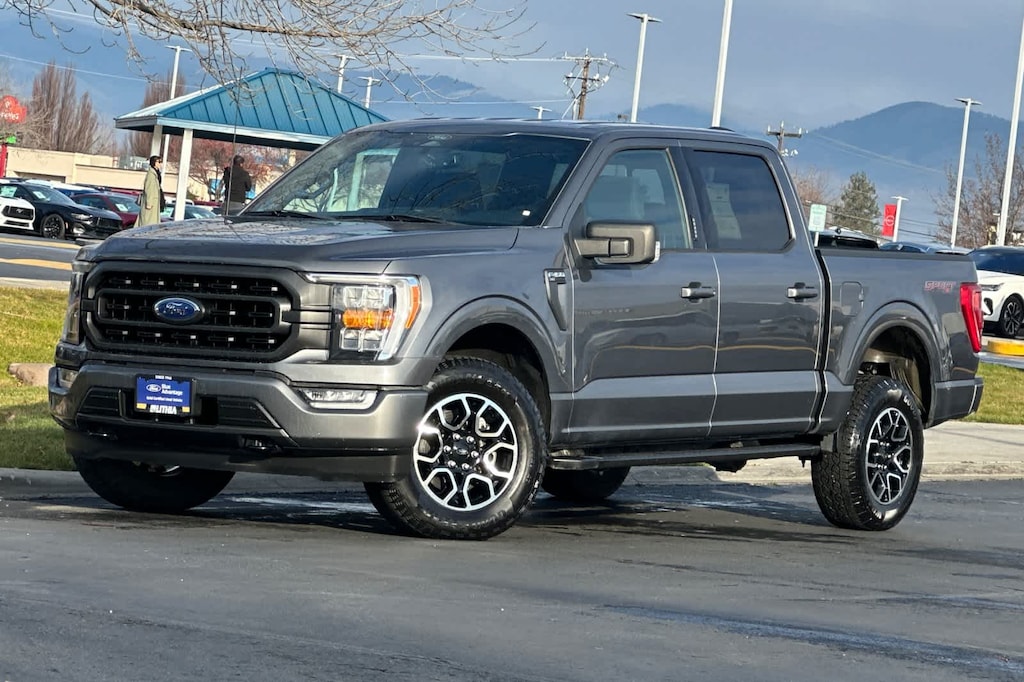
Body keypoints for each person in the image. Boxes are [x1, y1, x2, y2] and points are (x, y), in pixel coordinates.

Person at [137, 155, 165, 226]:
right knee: (148, 222)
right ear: (154, 163)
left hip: (154, 202)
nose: (160, 164)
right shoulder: (151, 175)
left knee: (152, 222)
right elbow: (148, 189)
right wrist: (149, 203)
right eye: (159, 162)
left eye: (161, 162)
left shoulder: (156, 173)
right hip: (151, 204)